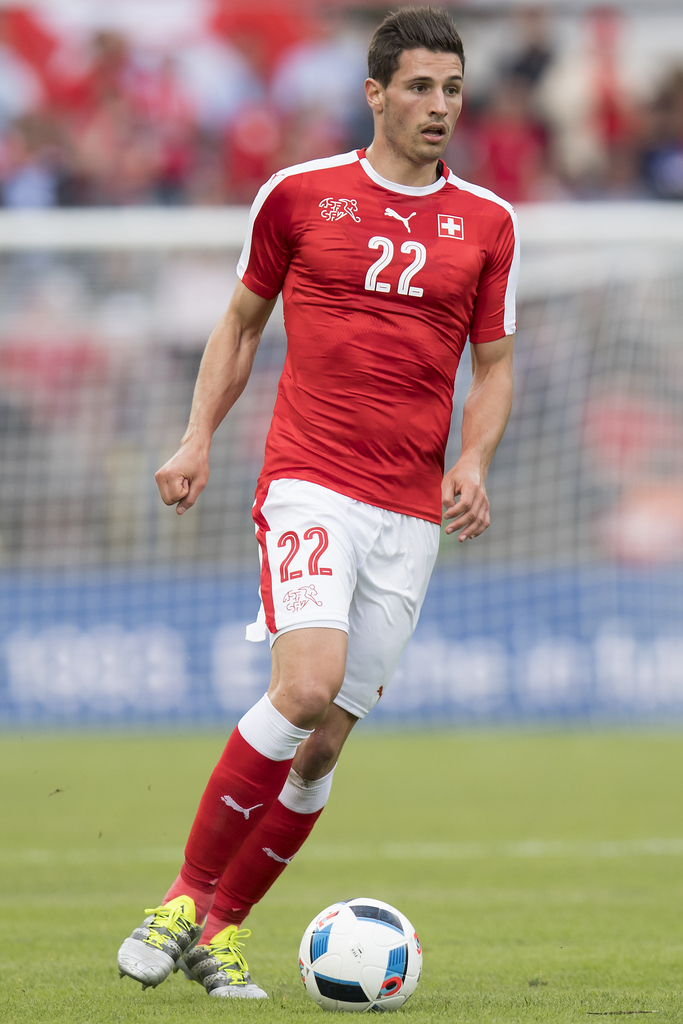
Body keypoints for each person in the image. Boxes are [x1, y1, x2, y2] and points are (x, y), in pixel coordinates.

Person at [117, 4, 518, 1001]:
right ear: (373, 93)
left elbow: (497, 363)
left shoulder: (488, 224)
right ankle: (178, 896)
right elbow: (241, 325)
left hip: (411, 511)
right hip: (310, 482)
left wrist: (473, 455)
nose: (438, 106)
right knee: (303, 686)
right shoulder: (297, 196)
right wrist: (197, 434)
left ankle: (221, 930)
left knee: (326, 739)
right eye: (419, 87)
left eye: (452, 89)